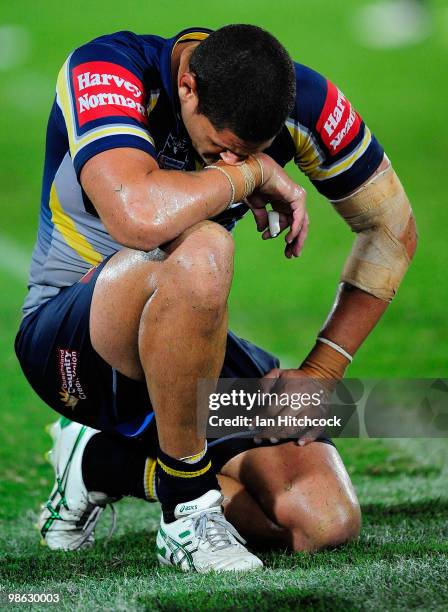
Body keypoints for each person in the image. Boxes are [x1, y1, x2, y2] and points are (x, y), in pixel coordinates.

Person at [15, 24, 417, 573]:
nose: (230, 160)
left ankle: (98, 464)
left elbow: (391, 231)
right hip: (72, 345)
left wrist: (324, 370)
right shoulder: (109, 67)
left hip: (183, 349)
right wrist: (251, 173)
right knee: (206, 246)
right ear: (187, 85)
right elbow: (138, 215)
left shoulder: (304, 103)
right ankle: (187, 509)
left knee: (320, 519)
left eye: (249, 152)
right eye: (225, 146)